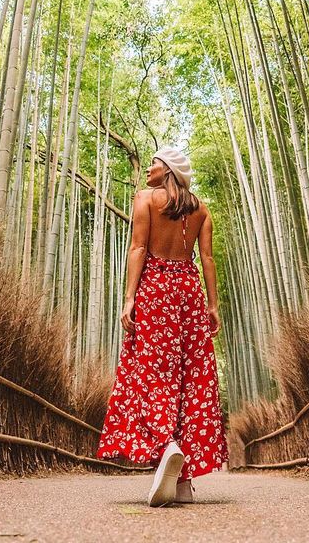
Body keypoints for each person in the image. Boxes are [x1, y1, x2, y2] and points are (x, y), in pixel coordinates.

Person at [96, 145, 229, 506]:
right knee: (192, 375)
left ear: (167, 170)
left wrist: (129, 299)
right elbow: (207, 259)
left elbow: (138, 249)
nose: (149, 169)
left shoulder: (145, 199)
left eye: (154, 163)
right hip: (189, 290)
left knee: (154, 369)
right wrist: (213, 306)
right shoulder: (201, 209)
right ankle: (184, 483)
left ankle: (166, 444)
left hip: (154, 289)